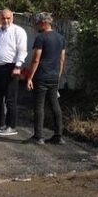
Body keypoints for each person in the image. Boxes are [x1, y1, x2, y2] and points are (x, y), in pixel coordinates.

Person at [0, 8, 28, 136]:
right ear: (0, 19)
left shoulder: (18, 31)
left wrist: (18, 66)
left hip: (11, 68)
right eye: (3, 18)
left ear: (12, 18)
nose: (6, 20)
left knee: (10, 99)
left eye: (8, 18)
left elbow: (22, 50)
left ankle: (11, 126)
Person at [24, 12, 66, 145]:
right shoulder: (61, 38)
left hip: (41, 75)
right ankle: (58, 135)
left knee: (39, 105)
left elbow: (36, 59)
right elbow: (61, 59)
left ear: (43, 23)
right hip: (54, 76)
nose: (36, 26)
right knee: (55, 105)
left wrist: (30, 77)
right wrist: (58, 76)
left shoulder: (41, 38)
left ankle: (38, 136)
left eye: (37, 23)